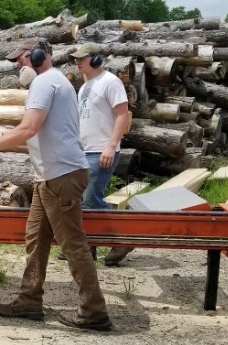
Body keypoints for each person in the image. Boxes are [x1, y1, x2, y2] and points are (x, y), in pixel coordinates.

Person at [0, 39, 112, 331]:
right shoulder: (54, 81)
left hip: (60, 175)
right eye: (16, 62)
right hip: (50, 177)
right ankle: (29, 300)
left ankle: (94, 312)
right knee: (36, 239)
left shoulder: (44, 83)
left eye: (22, 59)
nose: (19, 66)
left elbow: (29, 128)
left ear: (39, 56)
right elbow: (30, 128)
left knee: (73, 245)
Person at [71, 42, 134, 266]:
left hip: (101, 150)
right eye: (75, 59)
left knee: (90, 199)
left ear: (96, 59)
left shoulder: (110, 82)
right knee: (80, 200)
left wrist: (111, 145)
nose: (77, 62)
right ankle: (84, 247)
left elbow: (122, 115)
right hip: (84, 151)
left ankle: (122, 238)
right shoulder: (85, 86)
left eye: (82, 58)